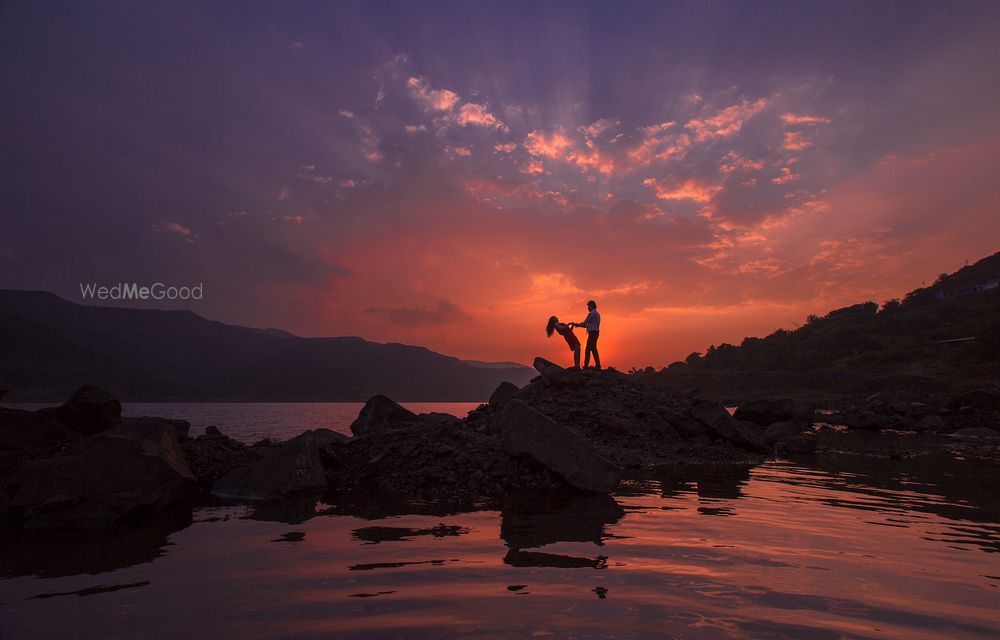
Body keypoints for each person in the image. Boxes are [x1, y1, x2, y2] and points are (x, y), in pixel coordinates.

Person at [570, 300, 601, 369]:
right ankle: (593, 365)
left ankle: (590, 366)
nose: (588, 308)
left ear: (592, 306)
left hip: (592, 333)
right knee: (592, 348)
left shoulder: (591, 314)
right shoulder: (597, 314)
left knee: (589, 349)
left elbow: (585, 323)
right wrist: (578, 325)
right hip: (595, 333)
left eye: (588, 306)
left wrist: (577, 325)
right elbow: (587, 325)